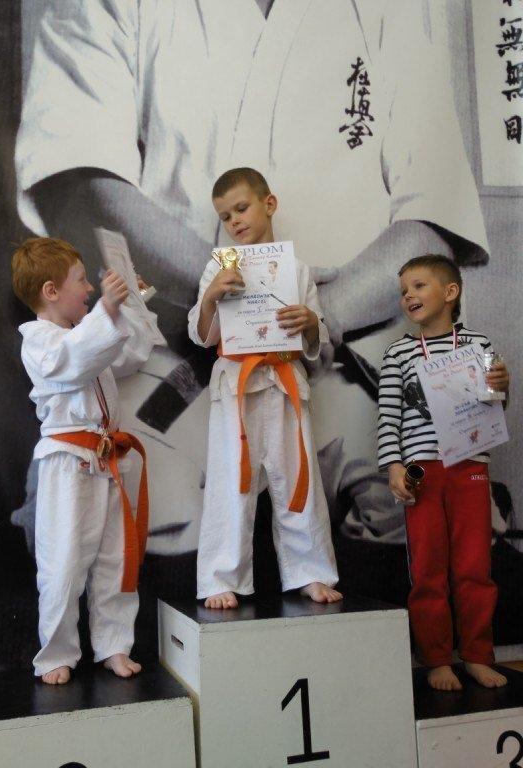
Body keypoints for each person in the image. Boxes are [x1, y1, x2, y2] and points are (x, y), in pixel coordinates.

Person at [15, 0, 491, 563]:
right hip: (181, 350)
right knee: (110, 515)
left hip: (352, 346)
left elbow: (433, 213)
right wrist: (239, 303)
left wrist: (319, 316)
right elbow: (81, 180)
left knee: (429, 511)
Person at [11, 237, 164, 684]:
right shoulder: (39, 341)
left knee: (116, 559)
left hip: (108, 459)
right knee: (62, 564)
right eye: (81, 281)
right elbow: (73, 360)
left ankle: (114, 645)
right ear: (51, 291)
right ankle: (56, 653)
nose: (90, 289)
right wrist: (107, 311)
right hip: (67, 463)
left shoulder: (87, 333)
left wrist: (130, 304)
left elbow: (131, 355)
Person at [188, 168, 341, 609]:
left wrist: (309, 323)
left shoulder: (297, 270)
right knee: (230, 483)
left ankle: (310, 572)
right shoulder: (218, 267)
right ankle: (221, 577)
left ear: (268, 204)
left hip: (285, 382)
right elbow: (202, 335)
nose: (235, 220)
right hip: (236, 388)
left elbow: (317, 338)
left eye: (242, 208)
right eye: (225, 216)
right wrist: (211, 297)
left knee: (298, 481)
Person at [378, 254, 509, 691]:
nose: (408, 296)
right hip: (422, 470)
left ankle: (477, 654)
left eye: (419, 286)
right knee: (428, 567)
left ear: (450, 292)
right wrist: (394, 466)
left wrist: (501, 386)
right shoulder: (398, 353)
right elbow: (388, 418)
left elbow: (494, 405)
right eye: (404, 290)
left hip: (470, 465)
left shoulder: (477, 344)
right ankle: (436, 659)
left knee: (475, 566)